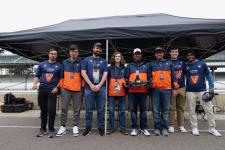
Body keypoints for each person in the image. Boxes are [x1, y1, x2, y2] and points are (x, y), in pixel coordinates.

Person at [185, 51, 222, 137]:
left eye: (191, 55)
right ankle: (194, 128)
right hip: (190, 91)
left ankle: (212, 128)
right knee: (191, 110)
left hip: (202, 90)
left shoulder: (202, 64)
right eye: (188, 55)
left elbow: (209, 75)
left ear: (194, 55)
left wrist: (211, 86)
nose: (190, 56)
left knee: (209, 109)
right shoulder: (186, 65)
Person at [149, 47, 179, 137]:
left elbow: (173, 76)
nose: (159, 54)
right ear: (155, 54)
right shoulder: (151, 64)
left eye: (160, 52)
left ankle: (165, 128)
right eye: (157, 53)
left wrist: (174, 87)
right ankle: (157, 128)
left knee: (165, 110)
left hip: (167, 90)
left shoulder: (169, 63)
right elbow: (149, 76)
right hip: (155, 90)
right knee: (156, 110)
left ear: (163, 54)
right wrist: (151, 83)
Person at [33, 48, 61, 138]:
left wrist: (57, 87)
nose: (53, 55)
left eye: (55, 54)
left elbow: (61, 79)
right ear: (48, 54)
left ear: (56, 56)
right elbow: (37, 76)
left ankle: (51, 129)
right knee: (43, 110)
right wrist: (35, 84)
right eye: (51, 53)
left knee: (52, 110)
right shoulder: (42, 64)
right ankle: (42, 129)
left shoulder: (59, 66)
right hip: (42, 89)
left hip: (52, 90)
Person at [81, 42, 108, 136]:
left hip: (101, 88)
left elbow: (105, 74)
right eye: (97, 48)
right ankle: (88, 127)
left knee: (101, 109)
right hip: (89, 88)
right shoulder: (86, 60)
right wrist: (91, 85)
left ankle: (100, 127)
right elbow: (83, 73)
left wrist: (99, 85)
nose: (98, 50)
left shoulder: (104, 61)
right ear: (93, 49)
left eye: (100, 49)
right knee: (88, 109)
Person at [56, 45, 83, 137]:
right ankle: (63, 126)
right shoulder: (64, 62)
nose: (74, 53)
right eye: (72, 51)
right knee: (64, 108)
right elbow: (61, 76)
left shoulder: (81, 62)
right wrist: (62, 86)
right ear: (69, 52)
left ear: (78, 53)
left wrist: (81, 86)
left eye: (75, 51)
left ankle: (75, 126)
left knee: (77, 109)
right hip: (66, 89)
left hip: (77, 90)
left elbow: (83, 76)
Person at [126, 48, 150, 136]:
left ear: (141, 55)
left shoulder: (146, 65)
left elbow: (150, 77)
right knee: (133, 110)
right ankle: (134, 128)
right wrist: (128, 83)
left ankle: (144, 128)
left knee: (143, 111)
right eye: (136, 54)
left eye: (139, 53)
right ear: (133, 55)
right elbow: (126, 78)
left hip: (143, 91)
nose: (137, 55)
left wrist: (148, 84)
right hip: (132, 91)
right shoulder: (129, 65)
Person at [107, 52, 128, 135]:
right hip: (112, 91)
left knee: (122, 111)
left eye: (119, 56)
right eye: (116, 56)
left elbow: (126, 78)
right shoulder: (109, 67)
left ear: (121, 58)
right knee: (111, 111)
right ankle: (112, 127)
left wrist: (126, 83)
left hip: (122, 91)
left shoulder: (124, 67)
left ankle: (122, 128)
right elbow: (107, 78)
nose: (117, 57)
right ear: (113, 57)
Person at [168, 48, 187, 133]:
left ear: (178, 53)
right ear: (170, 53)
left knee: (181, 108)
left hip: (182, 87)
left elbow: (188, 73)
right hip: (172, 88)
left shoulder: (182, 62)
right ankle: (171, 125)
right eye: (173, 52)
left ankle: (181, 125)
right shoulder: (167, 63)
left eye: (176, 52)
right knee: (172, 107)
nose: (174, 53)